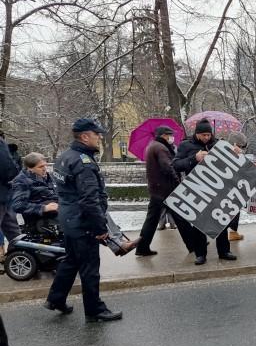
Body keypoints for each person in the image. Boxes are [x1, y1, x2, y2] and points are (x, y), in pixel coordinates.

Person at [45, 118, 122, 322]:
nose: (99, 138)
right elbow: (89, 199)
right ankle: (95, 310)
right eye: (96, 134)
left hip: (69, 218)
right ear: (85, 136)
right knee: (89, 267)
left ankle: (55, 299)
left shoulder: (64, 157)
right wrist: (99, 228)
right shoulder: (83, 162)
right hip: (82, 221)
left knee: (71, 260)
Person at [173, 118, 237, 265]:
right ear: (197, 134)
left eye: (209, 135)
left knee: (222, 220)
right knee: (199, 224)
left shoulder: (217, 144)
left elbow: (229, 162)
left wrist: (236, 154)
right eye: (203, 135)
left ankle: (224, 251)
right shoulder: (185, 145)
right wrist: (194, 158)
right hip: (197, 189)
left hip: (218, 188)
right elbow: (176, 165)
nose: (206, 138)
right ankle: (200, 254)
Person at [135, 126, 193, 256]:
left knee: (151, 220)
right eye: (169, 135)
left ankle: (142, 247)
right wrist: (178, 183)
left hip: (157, 190)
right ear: (163, 135)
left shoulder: (152, 146)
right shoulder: (161, 148)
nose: (171, 138)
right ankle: (193, 244)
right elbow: (168, 167)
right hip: (166, 190)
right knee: (181, 218)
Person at [10, 152, 59, 231]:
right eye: (40, 167)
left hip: (57, 210)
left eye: (45, 165)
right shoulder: (21, 181)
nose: (44, 169)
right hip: (39, 220)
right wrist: (44, 208)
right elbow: (18, 205)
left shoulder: (48, 176)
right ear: (30, 168)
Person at [0, 132, 22, 263]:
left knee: (12, 228)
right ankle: (18, 256)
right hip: (3, 192)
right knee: (12, 230)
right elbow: (8, 167)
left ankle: (17, 256)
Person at [225, 131, 249, 241]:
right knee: (232, 208)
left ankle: (233, 231)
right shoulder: (229, 153)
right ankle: (231, 232)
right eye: (240, 146)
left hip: (232, 184)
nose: (241, 148)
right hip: (230, 185)